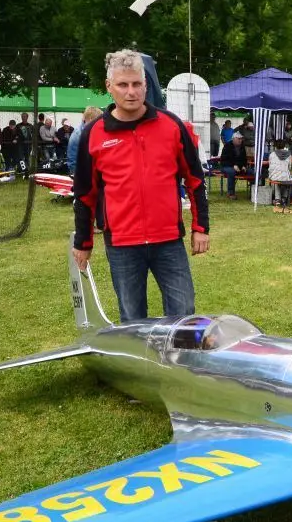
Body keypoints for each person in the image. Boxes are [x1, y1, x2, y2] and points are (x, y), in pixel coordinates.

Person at [72, 48, 209, 322]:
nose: (131, 91)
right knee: (133, 319)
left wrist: (200, 228)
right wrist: (83, 242)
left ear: (146, 86)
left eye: (137, 84)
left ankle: (176, 363)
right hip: (122, 244)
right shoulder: (93, 134)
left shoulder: (171, 126)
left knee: (183, 312)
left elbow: (194, 181)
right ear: (109, 87)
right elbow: (85, 194)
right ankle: (142, 364)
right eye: (123, 84)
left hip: (168, 240)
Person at [68, 106, 101, 175]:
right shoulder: (79, 134)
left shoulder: (88, 130)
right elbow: (73, 160)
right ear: (91, 119)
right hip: (80, 171)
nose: (100, 122)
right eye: (98, 120)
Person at [216, 131, 249, 199]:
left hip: (238, 167)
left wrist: (243, 166)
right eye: (239, 139)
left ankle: (254, 192)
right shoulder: (227, 146)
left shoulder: (242, 147)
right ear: (233, 139)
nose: (240, 140)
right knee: (231, 172)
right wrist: (233, 165)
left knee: (252, 171)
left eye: (241, 139)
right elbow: (223, 160)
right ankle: (230, 193)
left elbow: (244, 159)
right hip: (226, 166)